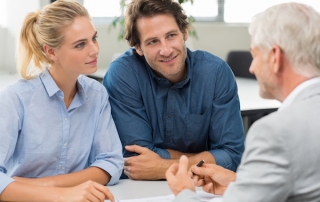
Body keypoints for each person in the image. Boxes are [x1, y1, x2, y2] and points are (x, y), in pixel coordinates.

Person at [166, 2, 320, 202]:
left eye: (254, 55)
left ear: (275, 57)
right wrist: (240, 184)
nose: (251, 68)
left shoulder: (275, 133)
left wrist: (184, 193)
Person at [103, 0, 244, 180]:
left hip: (202, 190)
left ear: (184, 33)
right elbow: (137, 161)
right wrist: (207, 157)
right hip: (139, 192)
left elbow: (233, 155)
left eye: (171, 36)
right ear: (138, 47)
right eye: (153, 41)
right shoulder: (124, 74)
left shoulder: (215, 73)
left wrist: (163, 167)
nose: (166, 50)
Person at [0, 1, 123, 201]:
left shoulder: (97, 95)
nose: (94, 50)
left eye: (94, 38)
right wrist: (60, 195)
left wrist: (47, 185)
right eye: (80, 44)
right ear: (51, 52)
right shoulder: (15, 99)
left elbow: (111, 162)